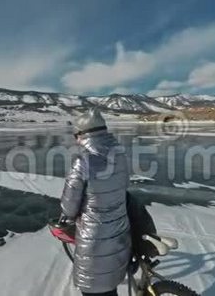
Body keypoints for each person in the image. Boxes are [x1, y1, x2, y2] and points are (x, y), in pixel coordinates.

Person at [60, 109, 131, 296]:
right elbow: (124, 185)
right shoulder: (119, 153)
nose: (75, 139)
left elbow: (69, 204)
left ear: (83, 134)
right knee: (110, 283)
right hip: (120, 230)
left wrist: (67, 217)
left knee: (94, 288)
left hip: (94, 237)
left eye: (76, 135)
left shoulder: (83, 160)